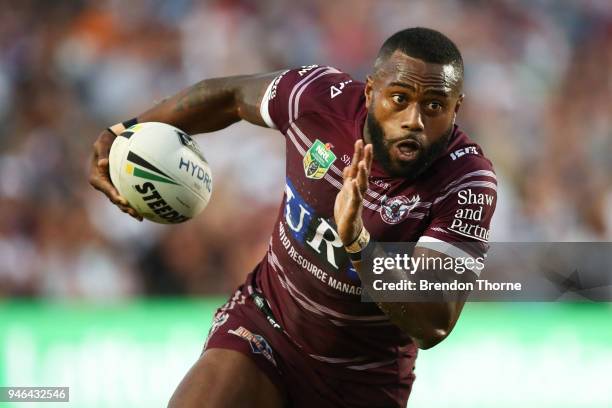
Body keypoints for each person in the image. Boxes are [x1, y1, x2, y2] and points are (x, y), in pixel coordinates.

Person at [89, 27, 497, 408]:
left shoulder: (466, 181)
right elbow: (230, 95)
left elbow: (434, 323)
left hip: (361, 381)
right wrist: (127, 131)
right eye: (399, 98)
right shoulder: (318, 97)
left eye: (434, 106)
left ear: (456, 109)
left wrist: (357, 243)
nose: (414, 120)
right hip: (266, 326)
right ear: (371, 91)